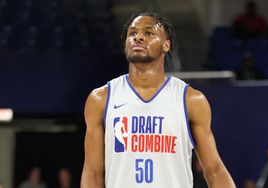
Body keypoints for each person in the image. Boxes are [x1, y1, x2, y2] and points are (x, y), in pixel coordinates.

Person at [80, 12, 236, 188]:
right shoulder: (101, 99)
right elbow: (92, 172)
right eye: (132, 33)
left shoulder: (190, 100)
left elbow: (214, 170)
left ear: (166, 45)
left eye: (148, 33)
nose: (138, 37)